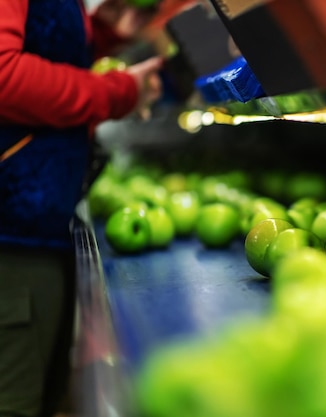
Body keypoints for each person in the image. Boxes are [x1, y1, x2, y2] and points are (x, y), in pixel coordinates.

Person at [0, 0, 163, 416]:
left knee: (37, 395)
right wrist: (119, 91)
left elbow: (41, 48)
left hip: (34, 232)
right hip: (11, 242)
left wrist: (101, 32)